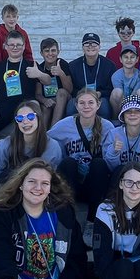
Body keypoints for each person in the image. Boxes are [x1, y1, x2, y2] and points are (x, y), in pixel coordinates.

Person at [47, 88, 116, 222]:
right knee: (68, 162)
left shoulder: (107, 127)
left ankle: (92, 219)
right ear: (76, 105)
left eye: (90, 102)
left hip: (95, 185)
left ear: (98, 105)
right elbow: (45, 140)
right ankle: (68, 218)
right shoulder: (65, 125)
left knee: (99, 163)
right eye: (82, 103)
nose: (86, 106)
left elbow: (111, 158)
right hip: (72, 183)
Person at [0, 32, 51, 136]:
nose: (15, 47)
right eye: (11, 45)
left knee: (33, 108)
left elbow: (48, 81)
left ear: (24, 47)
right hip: (3, 106)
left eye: (18, 45)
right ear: (5, 46)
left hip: (25, 107)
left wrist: (39, 74)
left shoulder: (31, 64)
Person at [0, 99, 63, 180]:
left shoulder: (52, 147)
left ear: (39, 118)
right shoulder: (3, 146)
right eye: (20, 118)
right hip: (12, 188)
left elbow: (51, 179)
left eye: (30, 116)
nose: (25, 122)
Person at [65, 33, 116, 119]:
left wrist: (99, 93)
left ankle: (102, 131)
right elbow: (71, 88)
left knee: (103, 108)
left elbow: (111, 88)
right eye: (87, 44)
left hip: (100, 97)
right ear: (82, 47)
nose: (90, 46)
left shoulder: (109, 65)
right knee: (71, 107)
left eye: (94, 44)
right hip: (80, 96)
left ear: (99, 47)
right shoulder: (73, 65)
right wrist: (81, 94)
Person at [35, 37, 73, 128]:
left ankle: (54, 129)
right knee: (45, 107)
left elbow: (69, 90)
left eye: (53, 50)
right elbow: (38, 94)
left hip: (63, 98)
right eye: (47, 51)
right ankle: (41, 137)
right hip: (49, 100)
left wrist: (61, 74)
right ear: (41, 53)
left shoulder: (62, 64)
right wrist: (45, 100)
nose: (50, 54)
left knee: (61, 92)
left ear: (58, 52)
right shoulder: (40, 68)